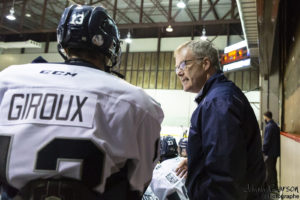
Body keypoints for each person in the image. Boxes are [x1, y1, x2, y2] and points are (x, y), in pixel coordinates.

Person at [0, 5, 164, 200]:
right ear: (110, 46)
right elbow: (138, 183)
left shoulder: (8, 79)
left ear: (63, 42)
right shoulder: (138, 102)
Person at [174, 40, 266, 199]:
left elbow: (225, 178)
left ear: (205, 64)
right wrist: (197, 160)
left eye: (183, 65)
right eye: (177, 68)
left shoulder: (218, 103)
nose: (179, 72)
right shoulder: (218, 97)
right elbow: (226, 155)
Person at [263, 111, 280, 190]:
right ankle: (274, 186)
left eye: (264, 117)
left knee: (269, 170)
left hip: (269, 152)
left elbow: (267, 140)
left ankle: (270, 187)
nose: (264, 119)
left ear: (266, 117)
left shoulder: (269, 126)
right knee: (272, 169)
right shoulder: (275, 125)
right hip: (274, 152)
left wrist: (263, 150)